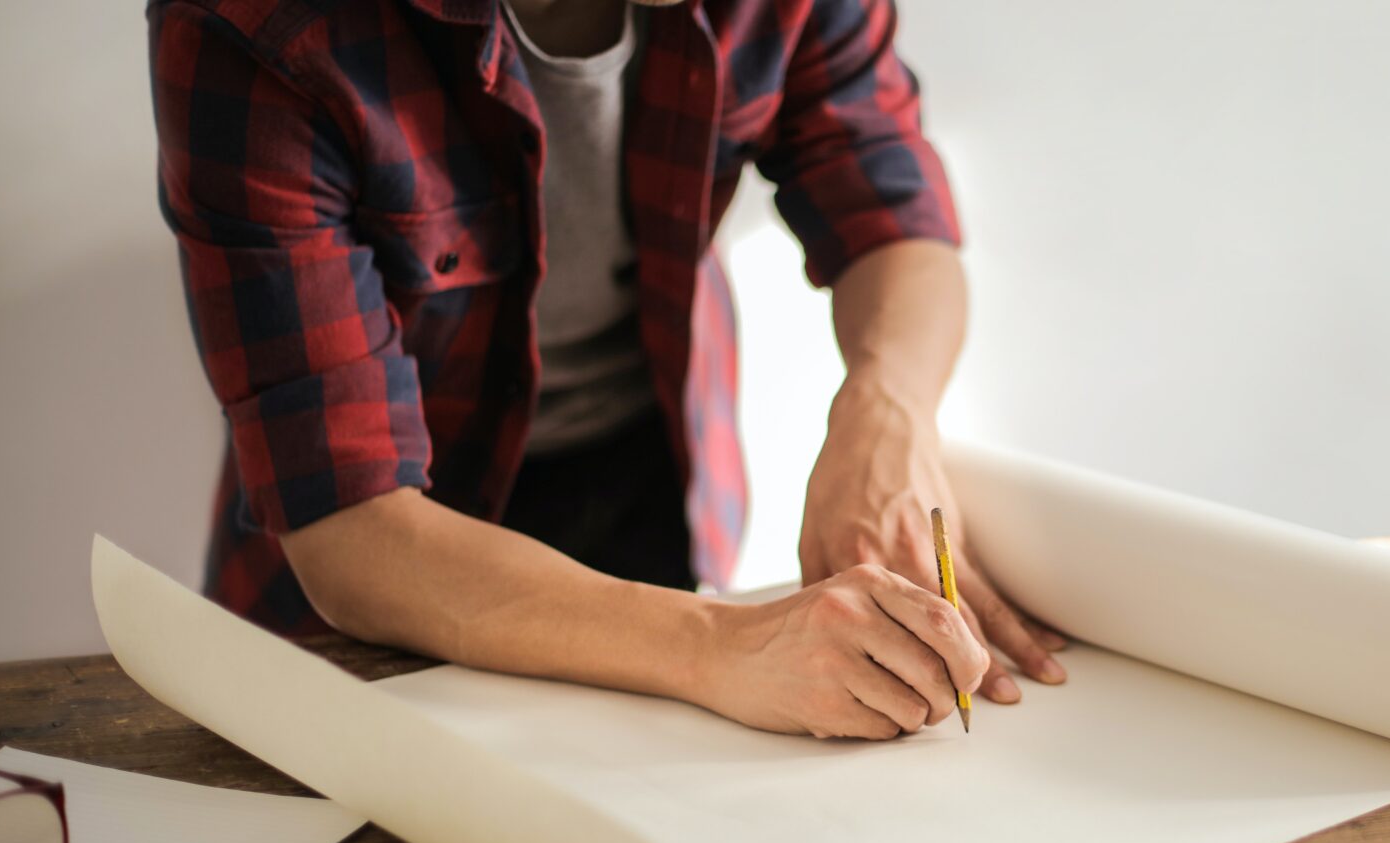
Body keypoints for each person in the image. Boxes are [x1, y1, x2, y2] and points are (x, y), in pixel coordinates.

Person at [146, 0, 1066, 739]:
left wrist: (885, 411)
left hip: (650, 481)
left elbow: (893, 210)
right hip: (382, 570)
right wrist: (725, 646)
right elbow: (352, 536)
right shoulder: (251, 22)